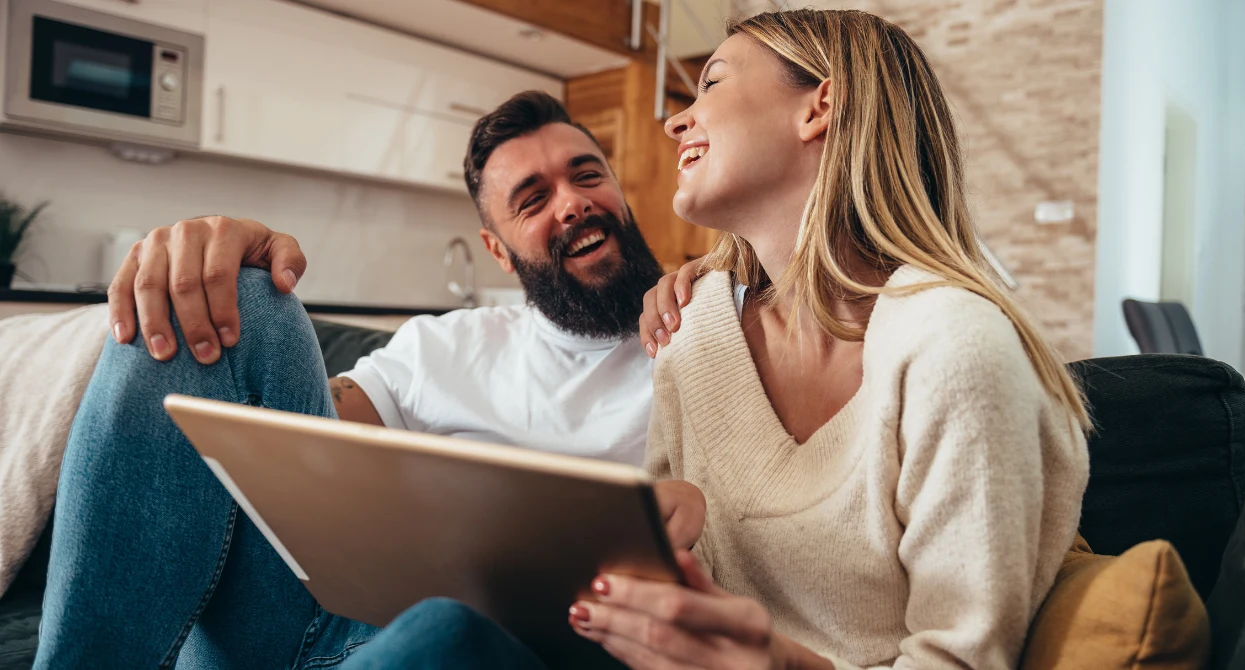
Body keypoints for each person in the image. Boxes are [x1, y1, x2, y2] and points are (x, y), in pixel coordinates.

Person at [382, 9, 1093, 669]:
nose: (674, 122)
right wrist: (676, 527)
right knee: (441, 631)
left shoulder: (953, 349)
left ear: (819, 107)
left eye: (713, 83)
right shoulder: (694, 330)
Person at [33, 91, 699, 669]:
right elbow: (294, 428)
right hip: (316, 622)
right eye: (534, 199)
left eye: (587, 176)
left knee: (450, 629)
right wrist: (219, 257)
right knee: (239, 295)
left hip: (498, 646)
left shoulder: (705, 325)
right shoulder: (446, 345)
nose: (573, 203)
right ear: (496, 250)